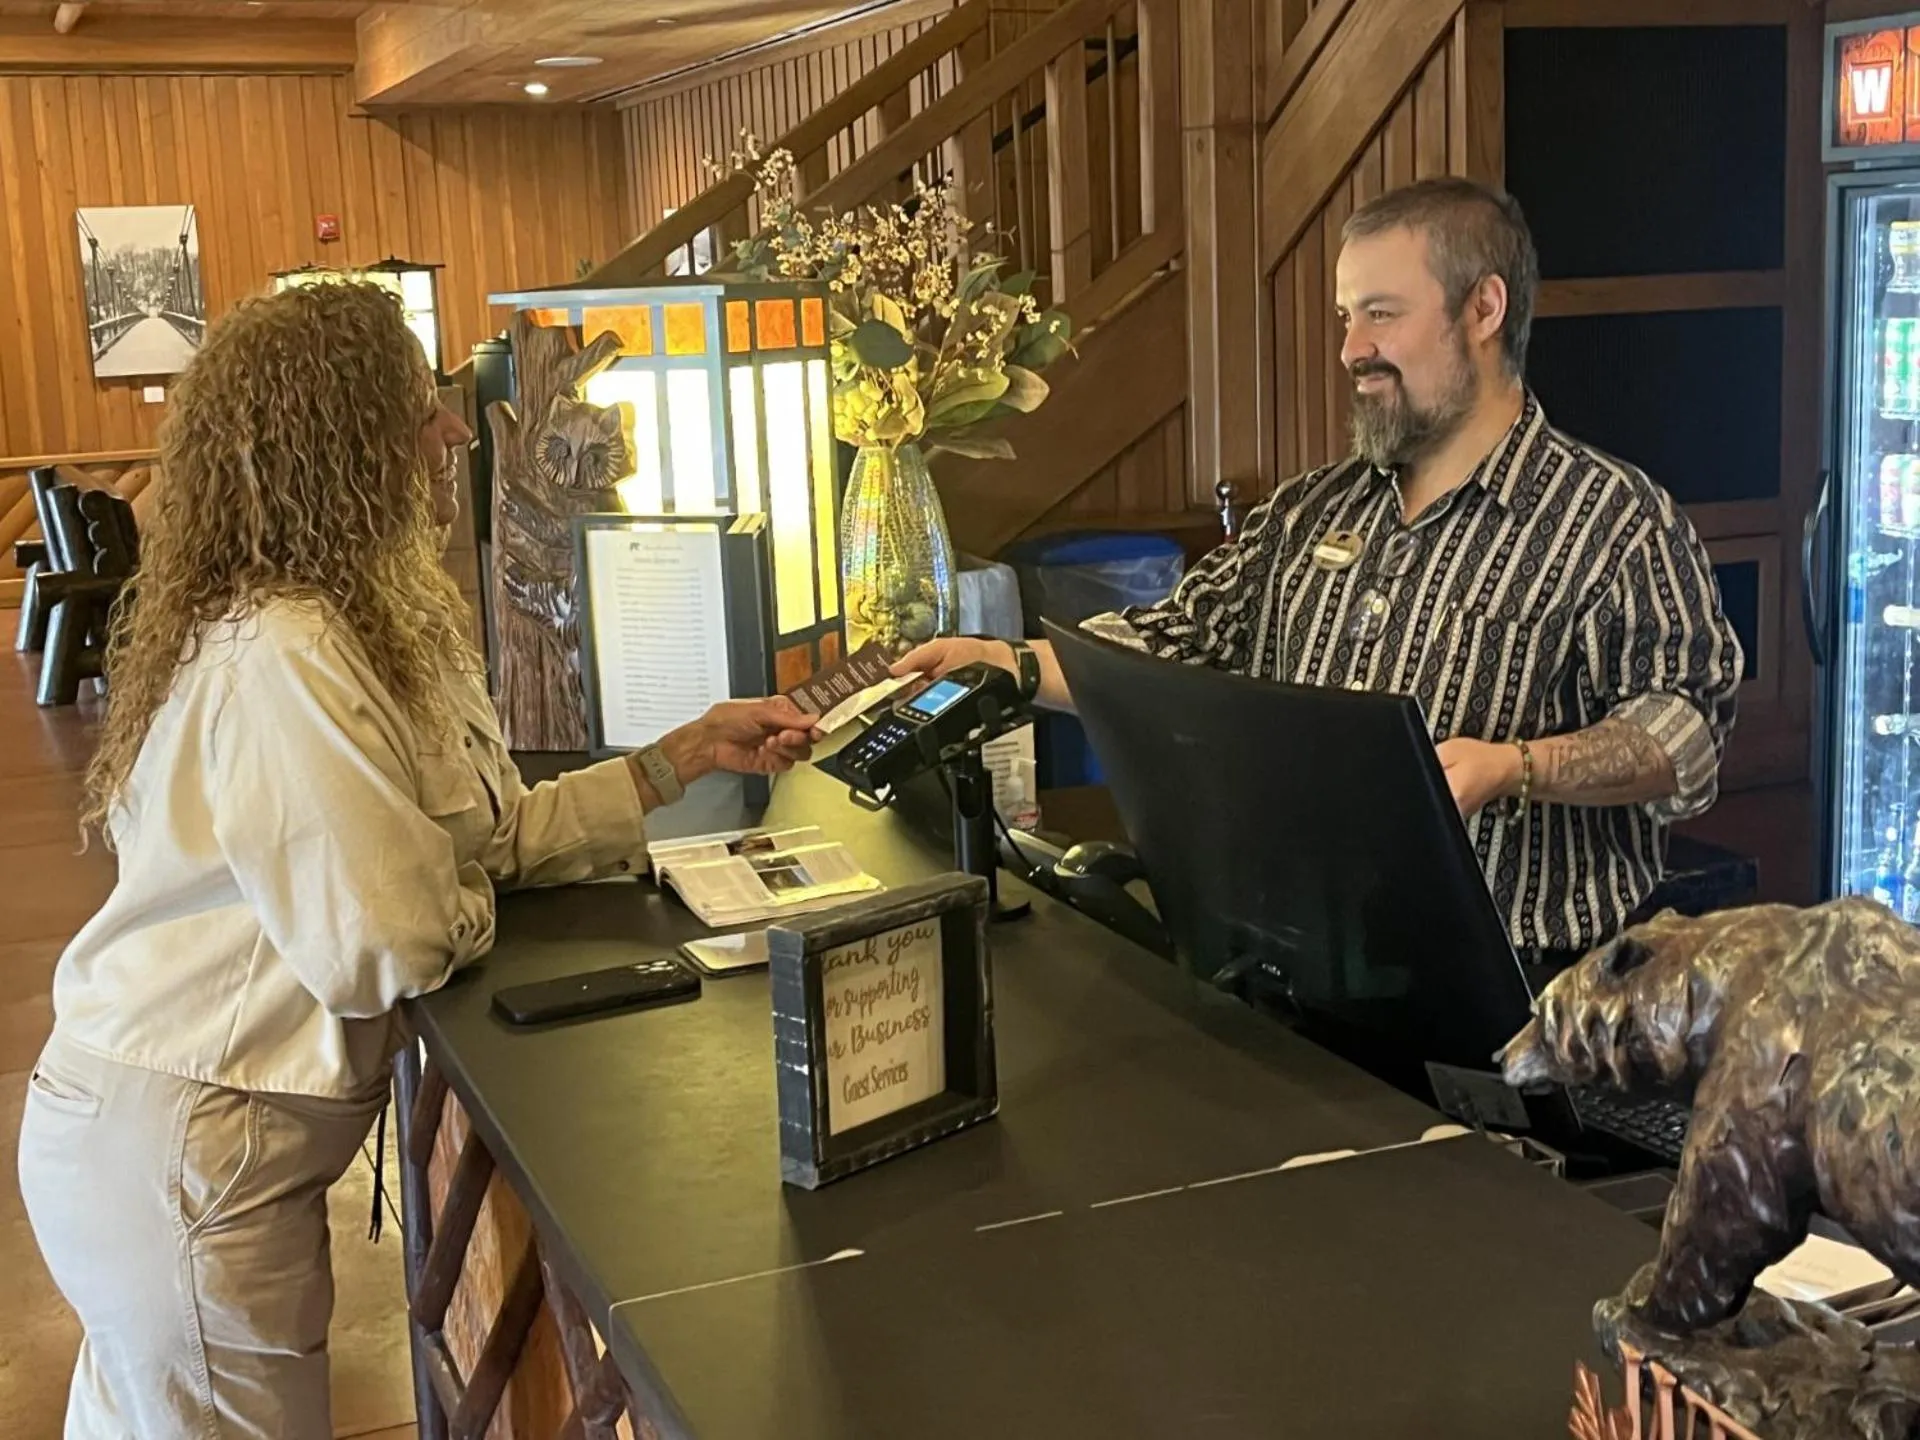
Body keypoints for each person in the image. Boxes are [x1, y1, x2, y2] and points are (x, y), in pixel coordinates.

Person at [16, 281, 817, 1440]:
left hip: (188, 1151)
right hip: (186, 1158)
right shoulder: (280, 655)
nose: (453, 432)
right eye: (421, 408)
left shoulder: (356, 620)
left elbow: (479, 846)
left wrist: (676, 758)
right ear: (338, 437)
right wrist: (459, 900)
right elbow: (389, 941)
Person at [899, 177, 1743, 964]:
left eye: (1381, 314)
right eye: (1345, 317)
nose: (1350, 349)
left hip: (1521, 996)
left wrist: (1515, 767)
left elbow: (1685, 737)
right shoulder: (1311, 512)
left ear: (1484, 308)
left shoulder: (1614, 520)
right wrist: (999, 666)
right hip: (1301, 973)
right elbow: (1164, 647)